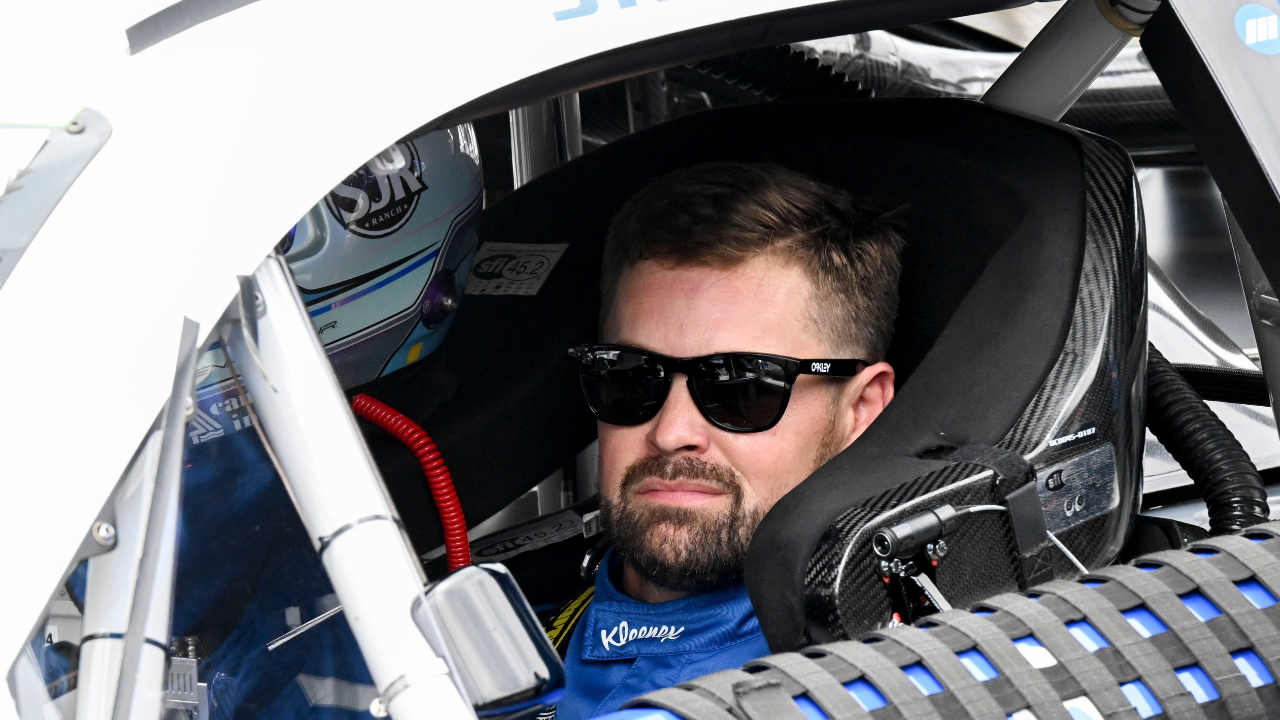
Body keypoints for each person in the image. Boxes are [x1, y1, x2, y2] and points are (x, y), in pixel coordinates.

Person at [548, 161, 905, 719]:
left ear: (859, 409)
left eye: (740, 388)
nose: (671, 433)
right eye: (630, 377)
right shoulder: (464, 636)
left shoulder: (881, 684)